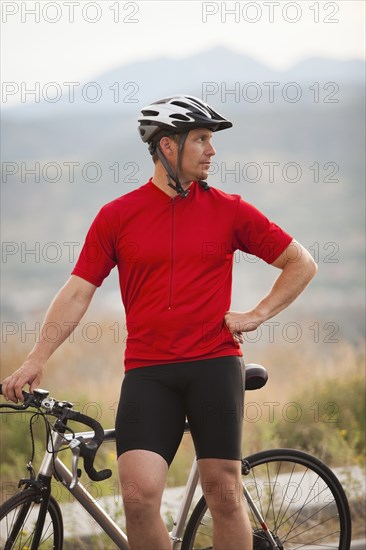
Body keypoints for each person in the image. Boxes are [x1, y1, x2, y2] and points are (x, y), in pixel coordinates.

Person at [2, 95, 317, 550]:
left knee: (224, 493)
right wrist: (36, 358)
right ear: (168, 146)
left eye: (212, 140)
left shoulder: (230, 209)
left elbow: (300, 263)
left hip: (214, 363)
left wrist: (256, 314)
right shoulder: (118, 216)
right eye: (203, 139)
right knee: (137, 496)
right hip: (150, 372)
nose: (213, 150)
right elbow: (78, 291)